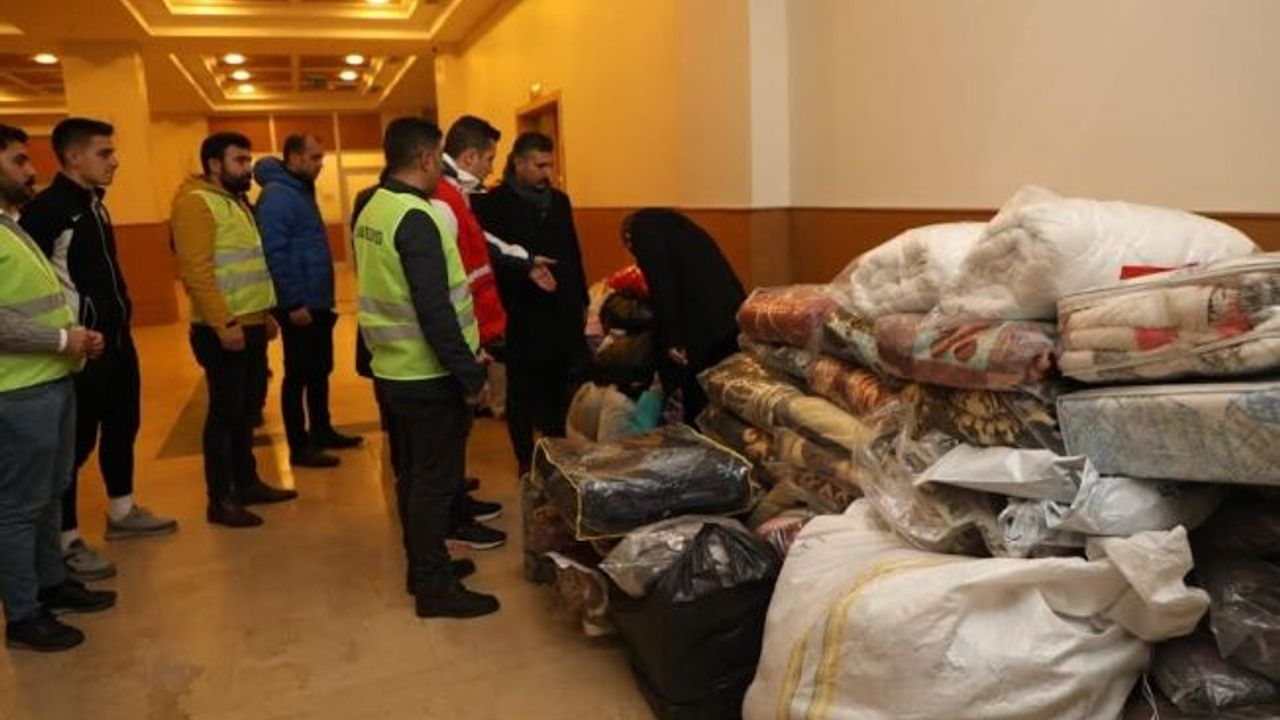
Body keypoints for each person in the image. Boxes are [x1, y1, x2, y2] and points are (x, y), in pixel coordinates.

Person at [19, 118, 178, 584]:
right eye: (104, 153)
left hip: (118, 340)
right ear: (73, 157)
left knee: (123, 425)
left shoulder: (95, 205)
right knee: (75, 446)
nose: (115, 161)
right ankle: (66, 539)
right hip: (82, 348)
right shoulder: (47, 212)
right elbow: (35, 285)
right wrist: (67, 335)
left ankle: (122, 511)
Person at [353, 117, 499, 618]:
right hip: (427, 375)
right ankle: (435, 589)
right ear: (424, 158)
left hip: (393, 371)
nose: (442, 166)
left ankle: (425, 570)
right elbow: (434, 309)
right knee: (433, 486)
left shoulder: (373, 206)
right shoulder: (418, 217)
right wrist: (471, 376)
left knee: (414, 479)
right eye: (439, 156)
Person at [0, 123, 117, 652]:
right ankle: (24, 616)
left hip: (51, 378)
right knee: (19, 507)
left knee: (49, 496)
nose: (32, 171)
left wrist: (71, 339)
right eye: (19, 161)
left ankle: (52, 584)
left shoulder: (12, 225)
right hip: (17, 391)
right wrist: (63, 338)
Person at [171, 132, 297, 529]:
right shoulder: (196, 203)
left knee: (247, 412)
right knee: (225, 416)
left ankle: (247, 482)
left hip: (252, 322)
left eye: (248, 159)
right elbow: (197, 272)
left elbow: (249, 266)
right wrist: (224, 323)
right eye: (239, 160)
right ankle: (220, 498)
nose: (248, 168)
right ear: (214, 164)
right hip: (222, 330)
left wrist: (265, 314)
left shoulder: (235, 201)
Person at [472, 132, 589, 477]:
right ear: (519, 163)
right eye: (539, 165)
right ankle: (525, 459)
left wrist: (580, 300)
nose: (547, 173)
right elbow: (491, 262)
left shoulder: (560, 201)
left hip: (561, 310)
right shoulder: (493, 204)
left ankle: (557, 454)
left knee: (559, 387)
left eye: (550, 165)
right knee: (522, 391)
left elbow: (573, 253)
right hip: (520, 311)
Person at [254, 133, 361, 470]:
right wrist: (292, 303)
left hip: (317, 299)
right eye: (314, 158)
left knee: (319, 370)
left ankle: (321, 429)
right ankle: (299, 446)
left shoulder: (299, 190)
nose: (320, 164)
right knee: (299, 374)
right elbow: (274, 253)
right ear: (295, 157)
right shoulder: (278, 195)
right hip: (300, 303)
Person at [622, 208, 746, 423]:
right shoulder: (677, 228)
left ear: (628, 238)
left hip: (701, 329)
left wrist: (672, 338)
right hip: (726, 317)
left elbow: (663, 286)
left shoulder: (645, 231)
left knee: (698, 398)